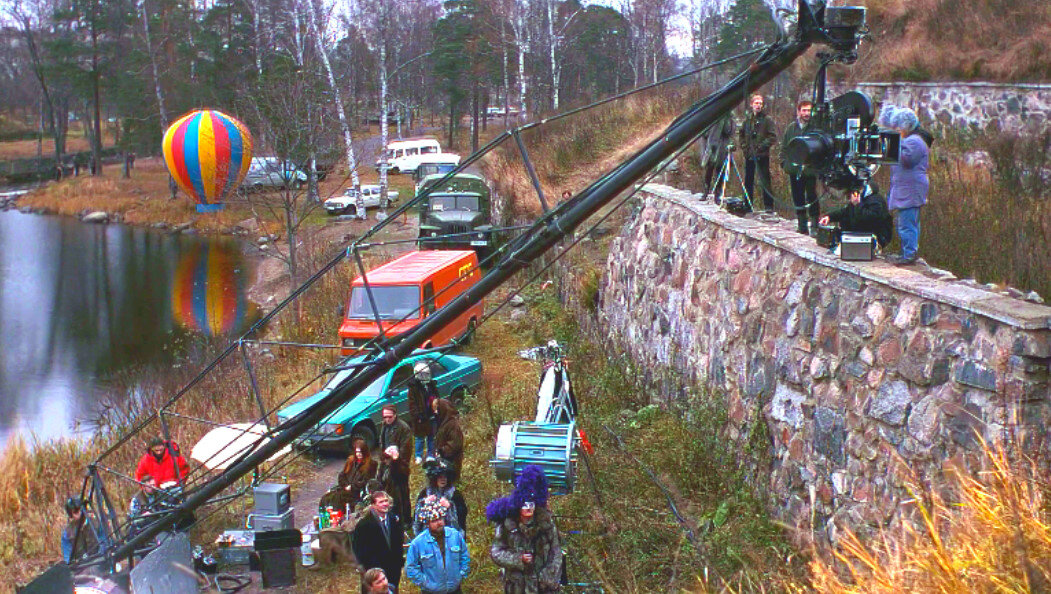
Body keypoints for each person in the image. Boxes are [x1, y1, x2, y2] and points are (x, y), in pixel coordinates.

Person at [487, 465, 562, 593]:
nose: (528, 508)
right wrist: (518, 558)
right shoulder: (507, 525)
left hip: (543, 587)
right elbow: (496, 552)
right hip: (516, 587)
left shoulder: (546, 525)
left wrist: (547, 577)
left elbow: (556, 553)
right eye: (525, 504)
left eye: (531, 504)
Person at [879, 105, 929, 265]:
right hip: (906, 188)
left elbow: (907, 160)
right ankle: (908, 251)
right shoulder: (911, 141)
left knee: (907, 223)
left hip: (911, 189)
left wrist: (896, 141)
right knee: (908, 221)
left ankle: (909, 254)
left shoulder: (914, 141)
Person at [405, 500, 471, 594]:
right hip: (431, 591)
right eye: (434, 520)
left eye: (440, 518)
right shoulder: (418, 543)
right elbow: (410, 568)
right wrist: (425, 583)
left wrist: (460, 575)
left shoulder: (455, 535)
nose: (439, 523)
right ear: (427, 523)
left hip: (455, 589)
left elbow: (465, 556)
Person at [353, 491, 405, 592]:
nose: (385, 504)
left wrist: (399, 562)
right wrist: (370, 571)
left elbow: (399, 543)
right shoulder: (364, 525)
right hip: (374, 572)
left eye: (386, 501)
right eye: (381, 502)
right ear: (373, 505)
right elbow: (359, 551)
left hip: (393, 570)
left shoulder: (394, 519)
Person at [782, 100, 820, 235]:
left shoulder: (815, 128)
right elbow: (785, 148)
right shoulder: (791, 128)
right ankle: (802, 225)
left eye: (809, 110)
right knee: (797, 197)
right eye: (804, 110)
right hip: (794, 169)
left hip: (810, 169)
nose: (806, 113)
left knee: (812, 196)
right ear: (799, 112)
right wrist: (784, 164)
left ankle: (814, 226)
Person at [819, 181, 894, 249]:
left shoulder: (876, 201)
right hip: (863, 233)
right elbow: (845, 212)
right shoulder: (861, 199)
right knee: (845, 219)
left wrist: (858, 205)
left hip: (877, 236)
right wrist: (829, 217)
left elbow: (869, 218)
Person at [739, 93, 778, 212]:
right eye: (756, 103)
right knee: (748, 180)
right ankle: (747, 204)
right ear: (752, 104)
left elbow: (772, 137)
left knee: (765, 181)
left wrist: (761, 147)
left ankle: (769, 206)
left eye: (760, 103)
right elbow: (741, 134)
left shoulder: (767, 120)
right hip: (749, 155)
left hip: (762, 155)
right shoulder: (748, 120)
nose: (758, 105)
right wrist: (745, 148)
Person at [378, 404, 413, 529]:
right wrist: (384, 457)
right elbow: (381, 444)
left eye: (389, 417)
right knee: (387, 491)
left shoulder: (403, 428)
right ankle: (391, 517)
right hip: (386, 463)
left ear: (395, 415)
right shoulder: (384, 427)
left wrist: (396, 459)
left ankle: (406, 520)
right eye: (385, 417)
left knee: (402, 494)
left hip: (399, 466)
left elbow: (406, 451)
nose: (387, 419)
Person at [413, 457, 468, 536]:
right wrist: (424, 503)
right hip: (429, 534)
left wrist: (450, 506)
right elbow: (417, 519)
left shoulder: (455, 494)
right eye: (440, 477)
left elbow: (462, 515)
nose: (443, 479)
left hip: (449, 534)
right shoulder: (425, 493)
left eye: (445, 477)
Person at [408, 361, 439, 464]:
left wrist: (436, 407)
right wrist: (418, 416)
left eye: (427, 374)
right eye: (423, 374)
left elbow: (437, 396)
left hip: (431, 414)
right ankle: (418, 455)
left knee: (431, 436)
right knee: (419, 438)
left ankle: (431, 454)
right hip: (420, 417)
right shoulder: (413, 388)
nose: (425, 376)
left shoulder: (431, 385)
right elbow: (412, 404)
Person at [335, 437, 377, 512]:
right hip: (345, 490)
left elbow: (366, 481)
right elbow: (342, 475)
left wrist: (352, 487)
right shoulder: (351, 460)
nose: (358, 454)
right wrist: (345, 485)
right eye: (357, 452)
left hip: (358, 493)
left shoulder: (371, 464)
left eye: (360, 452)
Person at [701, 114, 735, 203]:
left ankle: (717, 194)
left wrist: (725, 120)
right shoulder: (709, 115)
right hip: (710, 147)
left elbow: (729, 131)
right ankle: (705, 191)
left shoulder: (729, 116)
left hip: (722, 147)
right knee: (708, 169)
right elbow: (704, 133)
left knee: (720, 171)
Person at [62, 497, 103, 564]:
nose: (80, 513)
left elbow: (105, 545)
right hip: (81, 567)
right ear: (71, 515)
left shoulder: (97, 524)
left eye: (81, 509)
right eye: (76, 512)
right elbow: (68, 558)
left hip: (100, 562)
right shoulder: (67, 533)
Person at [432, 399, 464, 480]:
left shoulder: (452, 424)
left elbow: (456, 443)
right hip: (443, 462)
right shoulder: (442, 423)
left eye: (436, 409)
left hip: (451, 462)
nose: (435, 412)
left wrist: (443, 450)